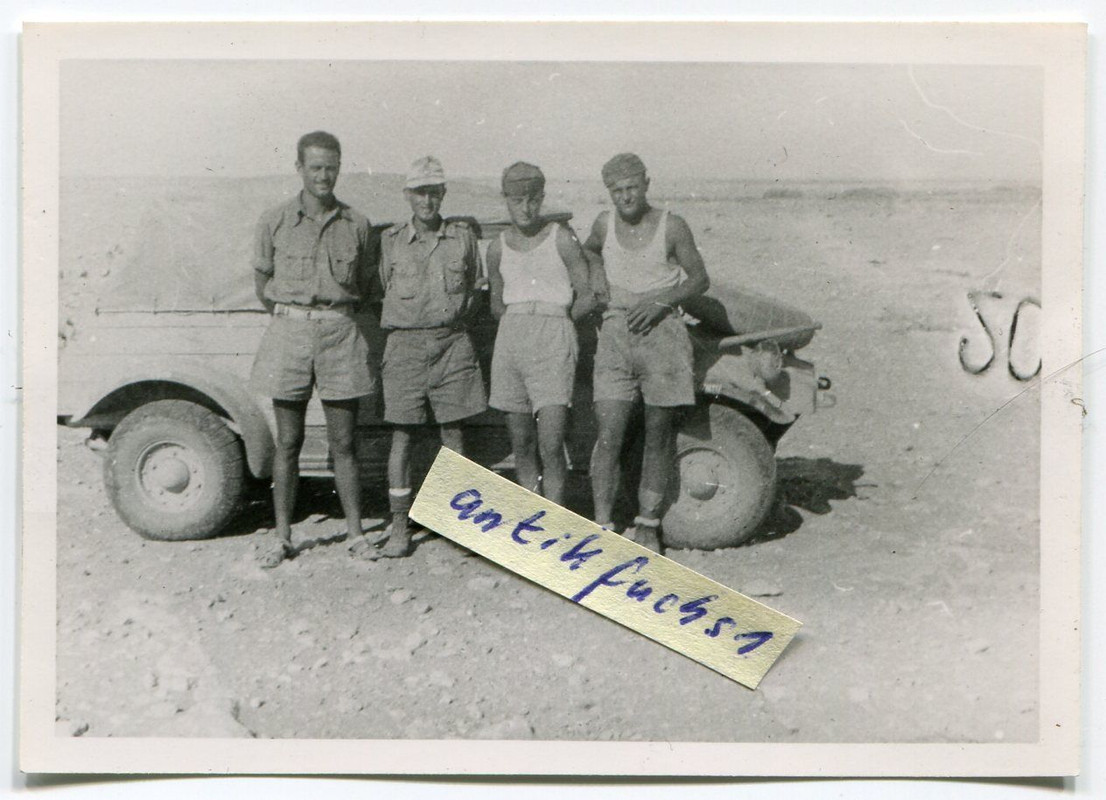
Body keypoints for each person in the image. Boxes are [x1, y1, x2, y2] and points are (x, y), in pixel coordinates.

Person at [249, 130, 378, 568]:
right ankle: (282, 537)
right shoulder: (275, 221)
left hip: (340, 334)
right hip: (290, 333)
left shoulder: (357, 224)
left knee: (345, 441)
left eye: (332, 167)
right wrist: (295, 315)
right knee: (289, 441)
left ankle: (357, 534)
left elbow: (364, 285)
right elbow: (263, 286)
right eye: (316, 167)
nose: (324, 176)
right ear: (299, 168)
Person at [583, 153, 710, 553]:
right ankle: (602, 525)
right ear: (609, 192)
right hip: (616, 337)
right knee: (609, 434)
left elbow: (700, 278)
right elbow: (588, 251)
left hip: (663, 335)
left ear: (646, 184)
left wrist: (661, 301)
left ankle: (648, 524)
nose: (625, 197)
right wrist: (597, 277)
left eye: (632, 188)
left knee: (658, 434)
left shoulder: (672, 225)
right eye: (617, 190)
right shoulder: (604, 223)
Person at [373, 156, 487, 558]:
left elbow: (475, 290)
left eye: (434, 192)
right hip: (404, 346)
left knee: (453, 434)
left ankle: (459, 527)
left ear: (443, 194)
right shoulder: (389, 242)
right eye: (420, 192)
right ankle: (400, 526)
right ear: (408, 195)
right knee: (402, 436)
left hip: (452, 344)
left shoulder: (462, 238)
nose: (427, 200)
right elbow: (379, 291)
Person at [486, 162, 597, 504]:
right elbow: (495, 301)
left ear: (542, 198)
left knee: (551, 444)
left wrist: (560, 320)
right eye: (517, 199)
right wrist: (519, 322)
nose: (525, 207)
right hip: (512, 341)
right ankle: (533, 518)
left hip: (553, 339)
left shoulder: (559, 239)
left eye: (532, 199)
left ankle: (555, 518)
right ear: (506, 199)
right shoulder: (497, 247)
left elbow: (588, 293)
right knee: (521, 442)